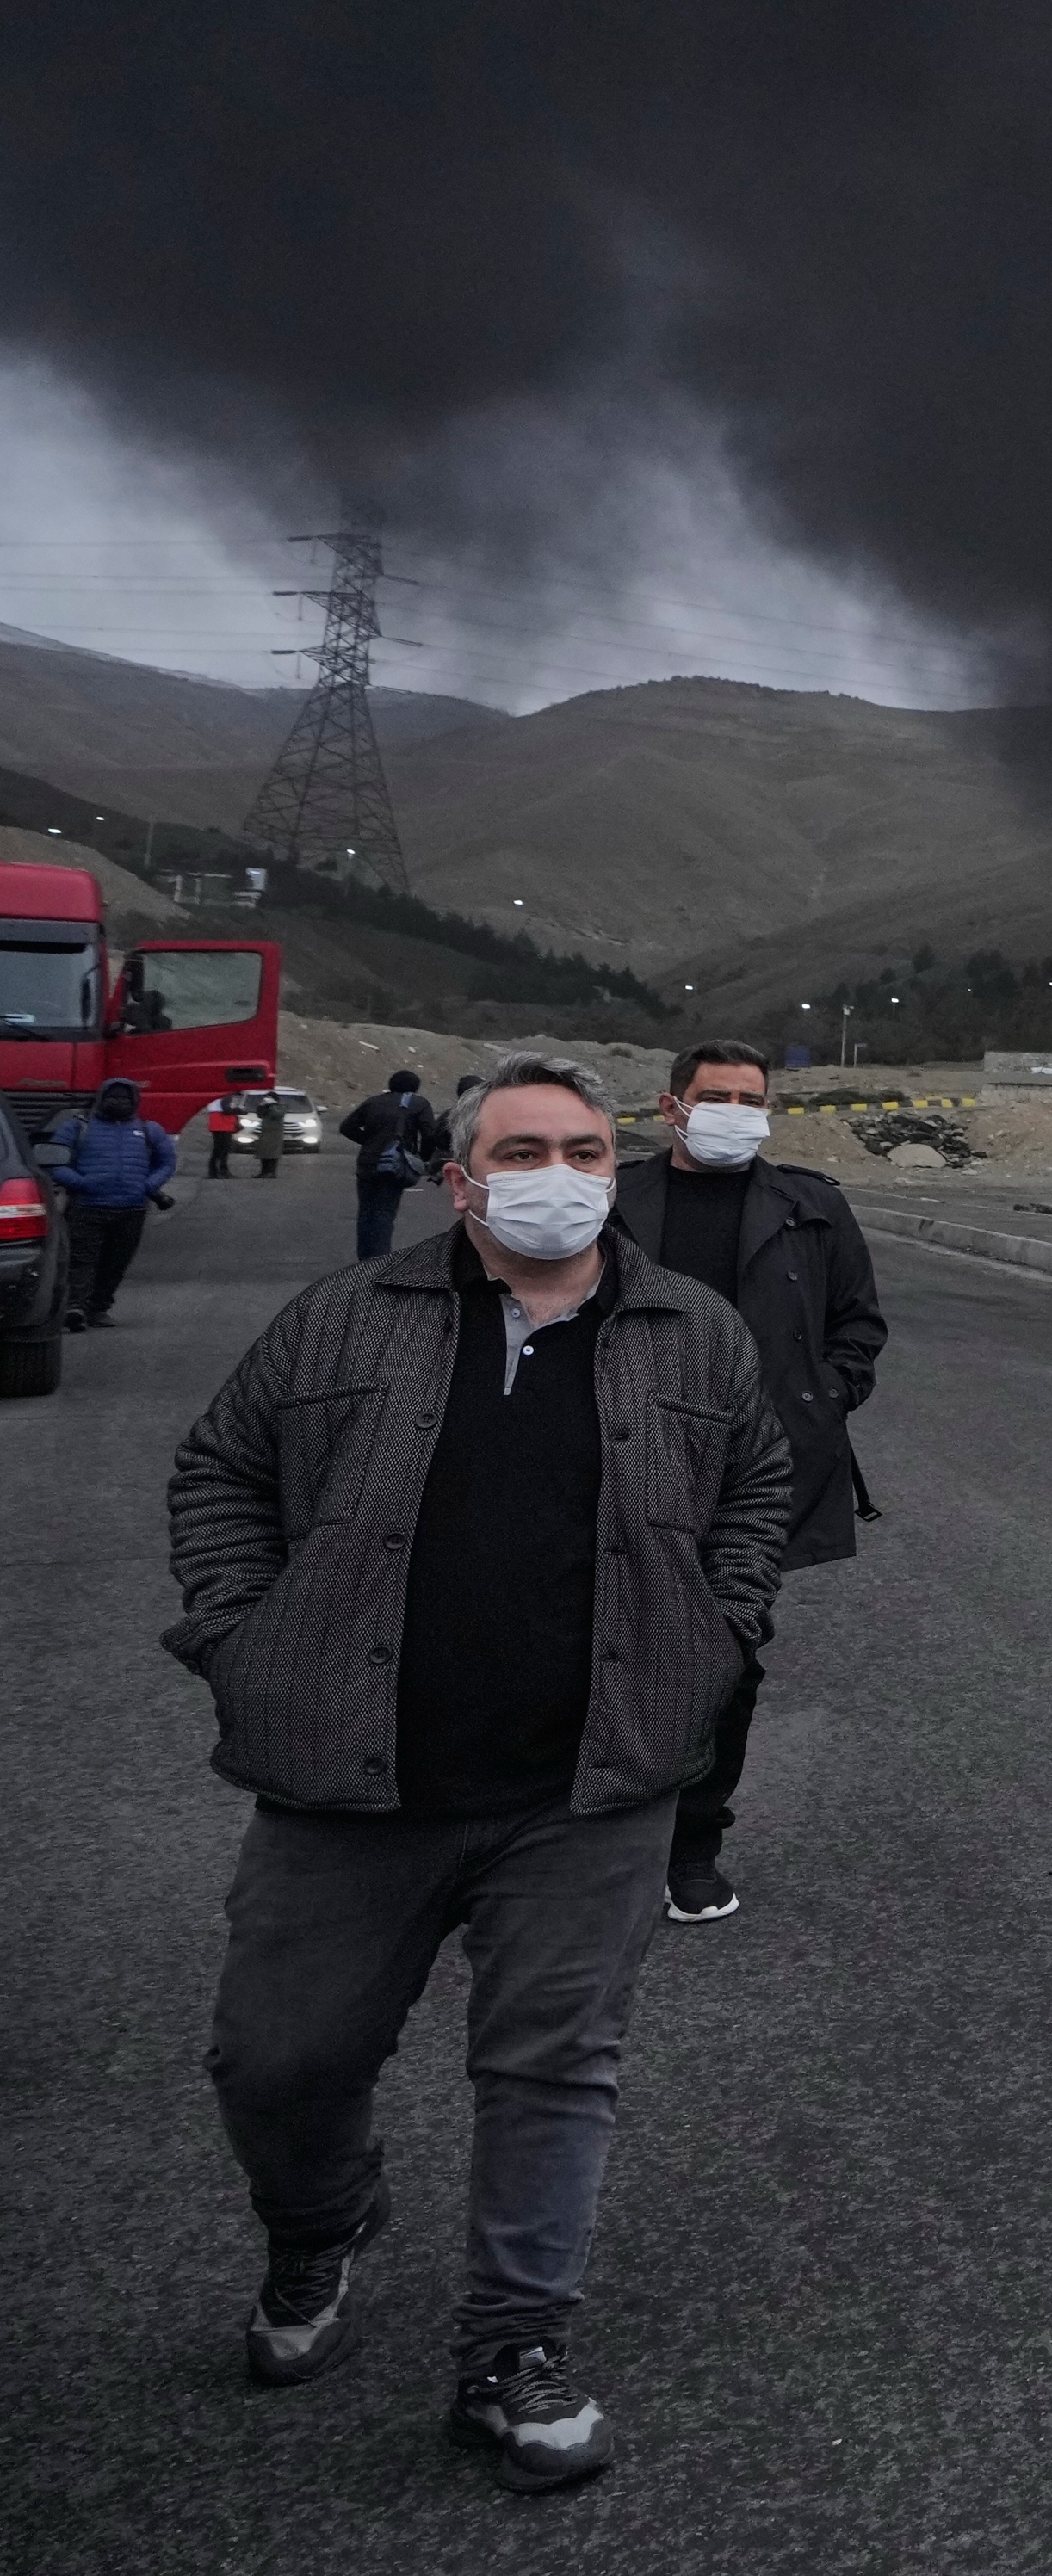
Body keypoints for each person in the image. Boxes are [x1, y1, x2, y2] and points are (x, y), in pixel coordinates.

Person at [161, 1054, 795, 2491]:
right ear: (460, 1181)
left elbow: (758, 1483)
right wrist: (242, 1635)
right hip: (352, 1781)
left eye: (583, 1149)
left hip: (590, 1784)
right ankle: (321, 2223)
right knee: (280, 2060)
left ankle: (513, 2350)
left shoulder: (691, 1335)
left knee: (553, 2072)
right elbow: (219, 1468)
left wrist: (721, 1628)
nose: (558, 1177)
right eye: (523, 1152)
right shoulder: (340, 1317)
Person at [626, 1040, 883, 1924]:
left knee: (725, 1660)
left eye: (750, 1096)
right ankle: (587, 1839)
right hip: (623, 1457)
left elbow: (859, 1323)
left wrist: (824, 1397)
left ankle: (692, 1846)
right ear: (672, 1109)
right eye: (716, 1096)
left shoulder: (810, 1207)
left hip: (755, 1476)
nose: (736, 1109)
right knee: (602, 1646)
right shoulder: (615, 1198)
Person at [53, 1071, 177, 1327]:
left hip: (132, 1210)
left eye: (124, 1098)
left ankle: (98, 1309)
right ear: (101, 1098)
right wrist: (81, 1183)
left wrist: (148, 1186)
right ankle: (76, 1308)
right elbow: (54, 1161)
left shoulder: (149, 1130)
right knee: (82, 1260)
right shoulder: (77, 1127)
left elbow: (167, 1162)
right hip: (87, 1208)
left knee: (116, 1263)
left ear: (134, 1101)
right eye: (113, 1097)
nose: (118, 1102)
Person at [340, 1067, 434, 1262]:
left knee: (366, 1212)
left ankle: (364, 1259)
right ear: (415, 1087)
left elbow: (346, 1127)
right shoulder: (419, 1104)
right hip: (394, 1163)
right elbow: (429, 1134)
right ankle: (380, 1261)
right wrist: (421, 1158)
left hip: (367, 1162)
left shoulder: (373, 1102)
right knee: (385, 1212)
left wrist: (369, 1141)